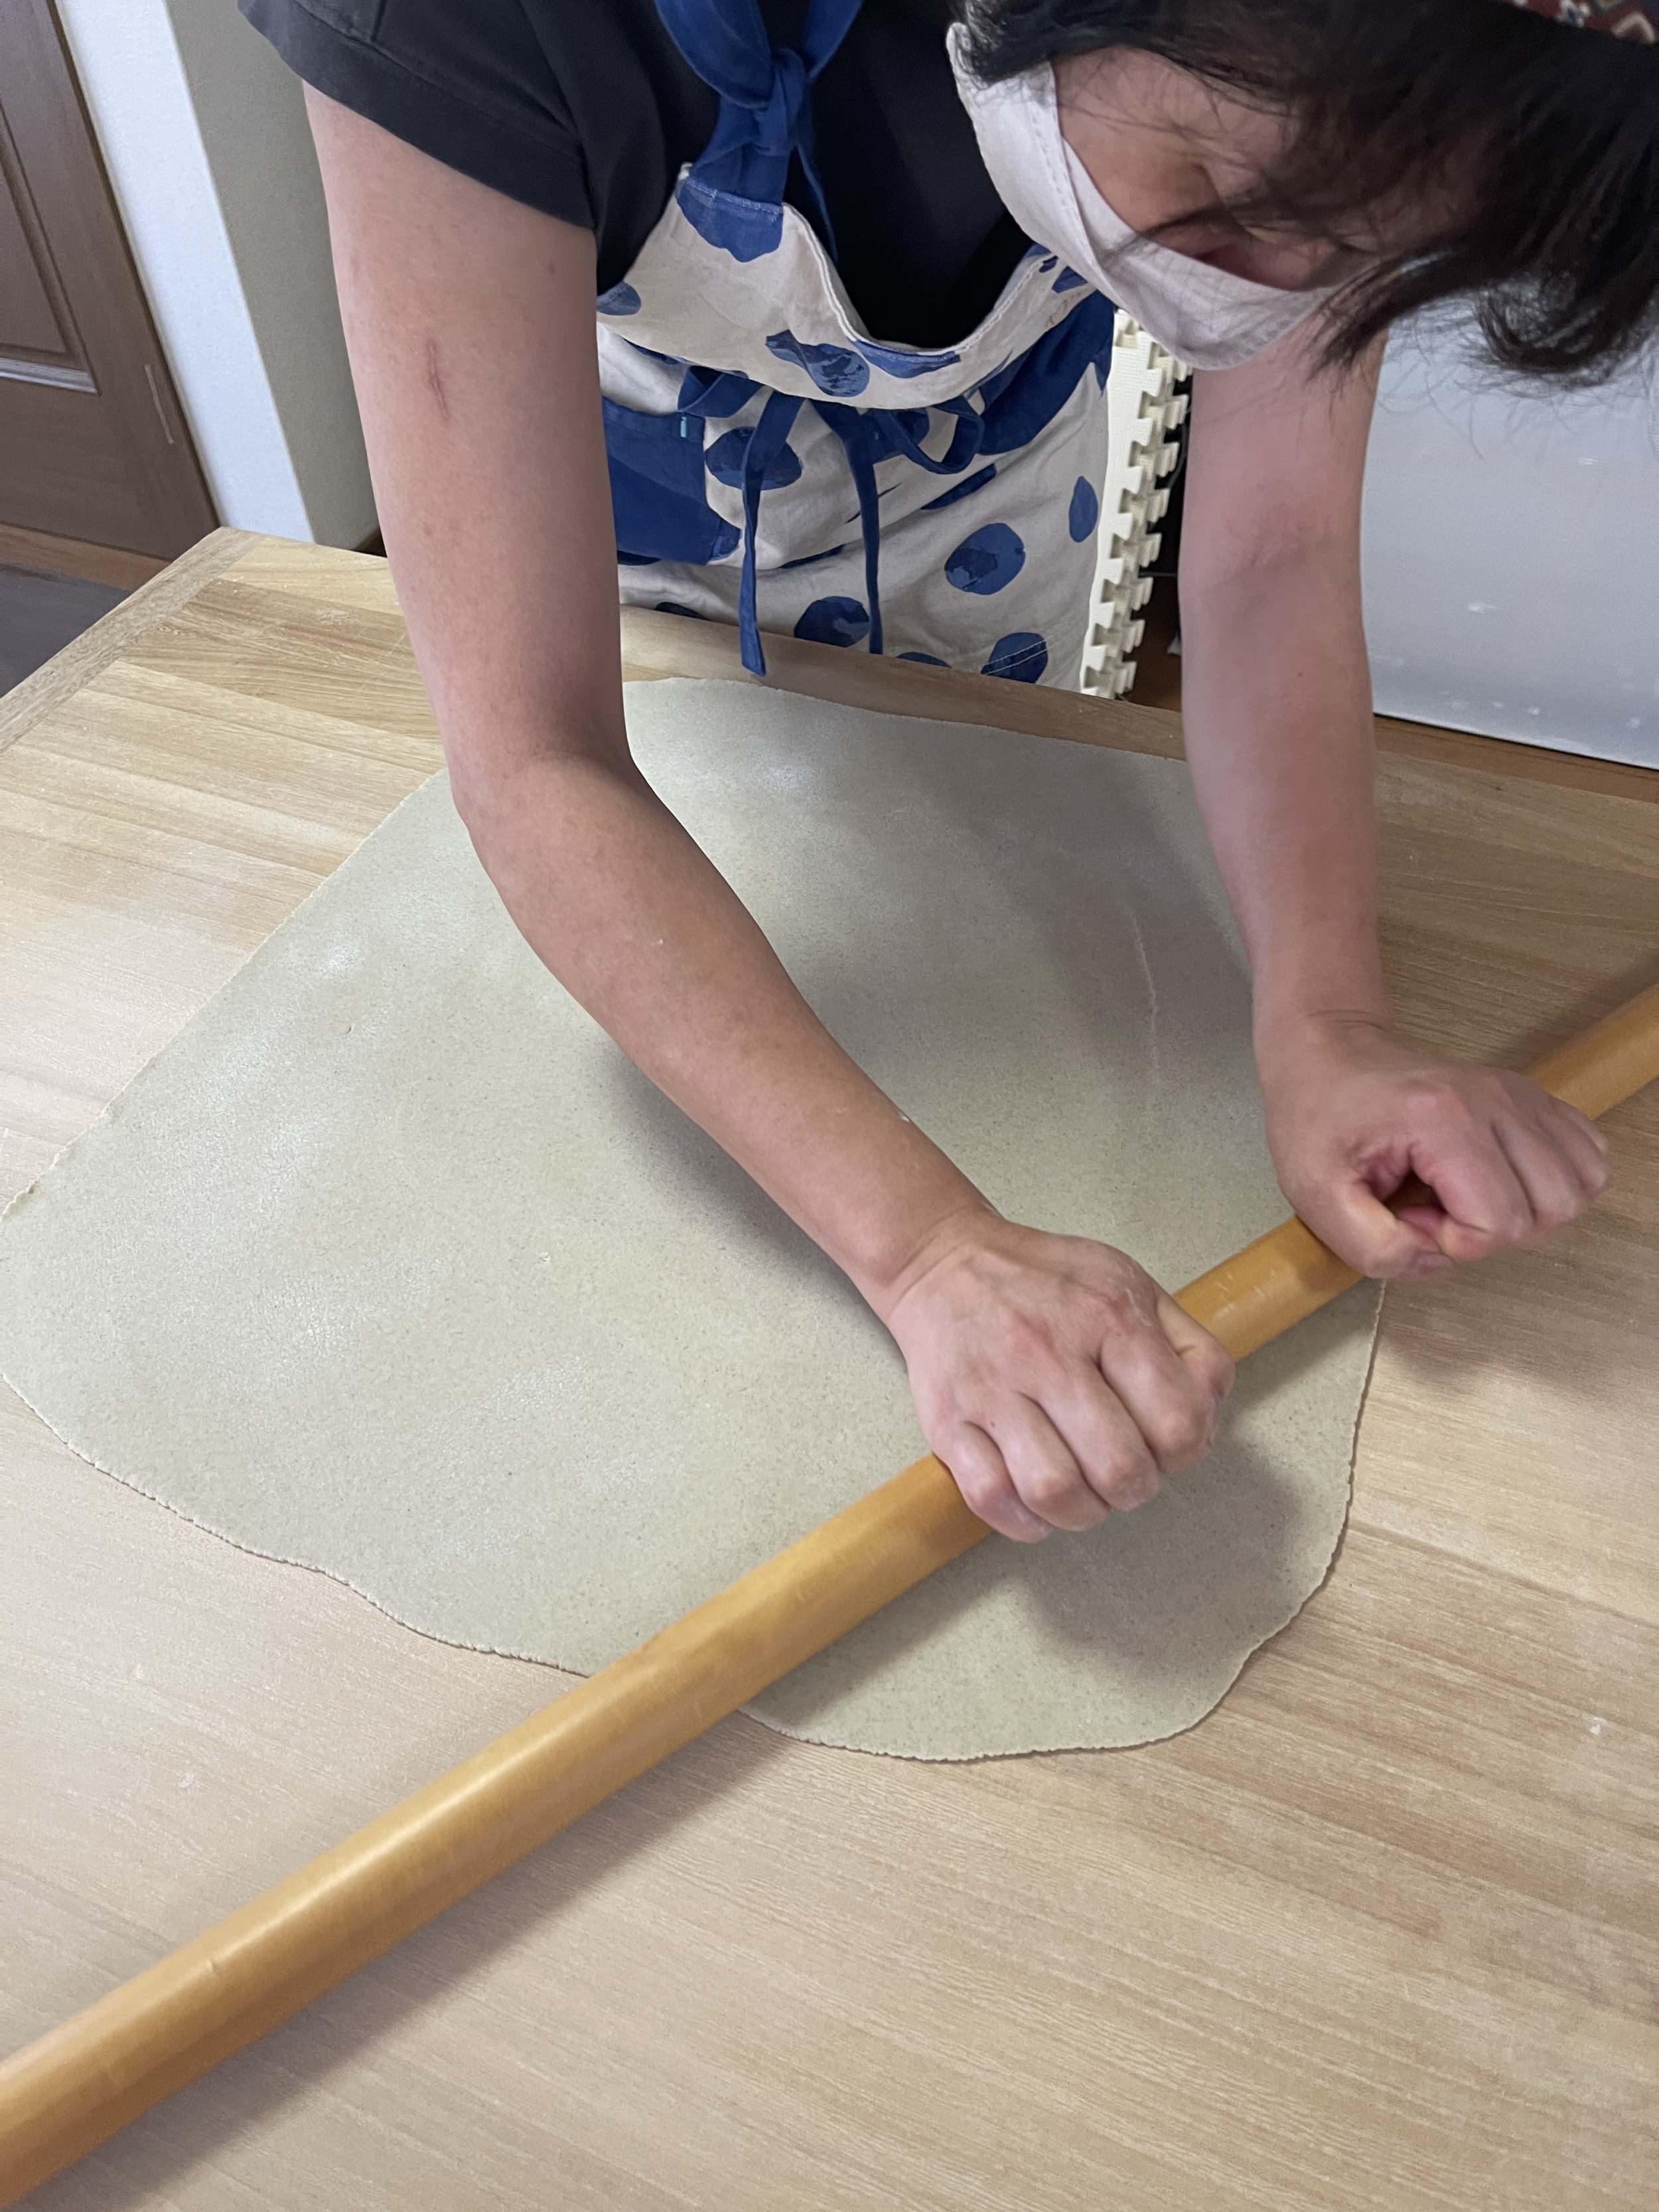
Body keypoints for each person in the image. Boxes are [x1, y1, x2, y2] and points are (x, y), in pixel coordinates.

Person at [243, 0, 1653, 1543]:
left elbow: (1268, 558)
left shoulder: (1384, 77)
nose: (1264, 289)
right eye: (1221, 201)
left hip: (983, 504)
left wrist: (1329, 1024)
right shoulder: (469, 20)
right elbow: (536, 753)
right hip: (646, 530)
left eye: (1358, 257)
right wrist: (923, 1252)